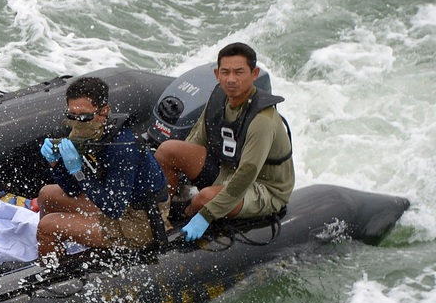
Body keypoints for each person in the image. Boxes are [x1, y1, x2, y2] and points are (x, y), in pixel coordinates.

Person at [154, 42, 295, 242]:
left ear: (254, 74)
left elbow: (247, 174)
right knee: (168, 150)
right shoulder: (219, 97)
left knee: (205, 199)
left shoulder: (263, 120)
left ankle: (186, 214)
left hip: (262, 188)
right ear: (216, 74)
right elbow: (196, 140)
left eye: (239, 73)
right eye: (225, 72)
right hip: (226, 169)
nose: (231, 79)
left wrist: (205, 214)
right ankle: (160, 217)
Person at [36, 76, 170, 263]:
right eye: (72, 116)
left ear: (103, 112)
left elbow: (113, 208)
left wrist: (78, 172)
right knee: (47, 195)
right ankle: (53, 249)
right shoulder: (85, 133)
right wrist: (55, 164)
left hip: (140, 220)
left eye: (83, 117)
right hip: (115, 202)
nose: (77, 123)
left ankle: (52, 276)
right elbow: (72, 189)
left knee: (48, 226)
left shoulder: (122, 146)